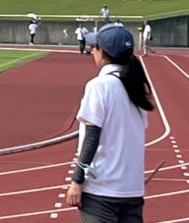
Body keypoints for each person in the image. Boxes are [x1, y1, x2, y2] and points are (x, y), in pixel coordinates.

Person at [65, 23, 154, 219]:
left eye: (94, 47)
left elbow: (92, 135)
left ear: (103, 52)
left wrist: (77, 179)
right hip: (132, 189)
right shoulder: (136, 87)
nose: (92, 51)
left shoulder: (100, 85)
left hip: (101, 190)